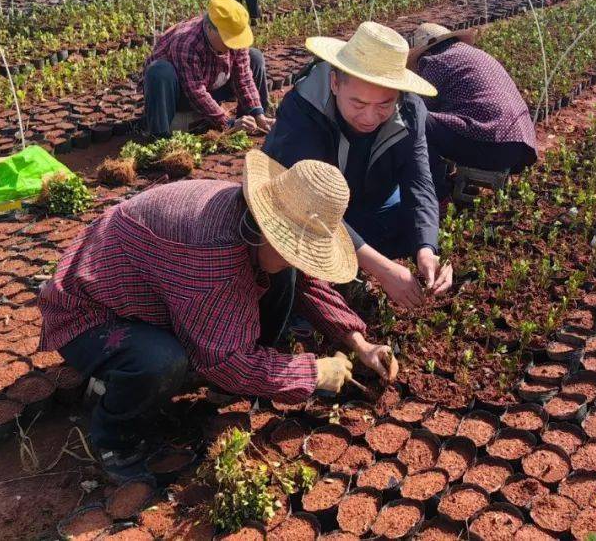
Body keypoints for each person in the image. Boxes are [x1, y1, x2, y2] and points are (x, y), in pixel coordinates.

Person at [38, 153, 397, 481]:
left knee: (283, 276)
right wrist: (312, 372)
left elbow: (306, 281)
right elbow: (223, 359)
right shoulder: (213, 258)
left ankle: (231, 371)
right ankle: (116, 438)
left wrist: (358, 342)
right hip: (89, 313)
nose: (297, 259)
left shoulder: (255, 222)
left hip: (154, 295)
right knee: (163, 362)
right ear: (264, 224)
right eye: (292, 250)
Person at [262, 21, 452, 310]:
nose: (370, 117)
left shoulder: (410, 110)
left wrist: (426, 248)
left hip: (370, 207)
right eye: (358, 104)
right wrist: (381, 268)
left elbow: (419, 182)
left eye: (384, 105)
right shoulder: (303, 111)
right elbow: (308, 203)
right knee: (287, 255)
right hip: (304, 213)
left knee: (419, 225)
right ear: (335, 83)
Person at [407, 23, 537, 199]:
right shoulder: (475, 54)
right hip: (520, 148)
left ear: (426, 51)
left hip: (491, 146)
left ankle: (437, 195)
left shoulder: (434, 61)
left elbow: (422, 106)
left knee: (414, 119)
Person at [142, 0, 272, 138]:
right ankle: (160, 135)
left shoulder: (234, 35)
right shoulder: (186, 42)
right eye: (227, 39)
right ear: (210, 28)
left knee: (255, 57)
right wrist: (227, 123)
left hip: (211, 84)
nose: (232, 45)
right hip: (179, 96)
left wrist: (257, 113)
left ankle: (249, 123)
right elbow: (196, 92)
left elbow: (244, 78)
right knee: (160, 71)